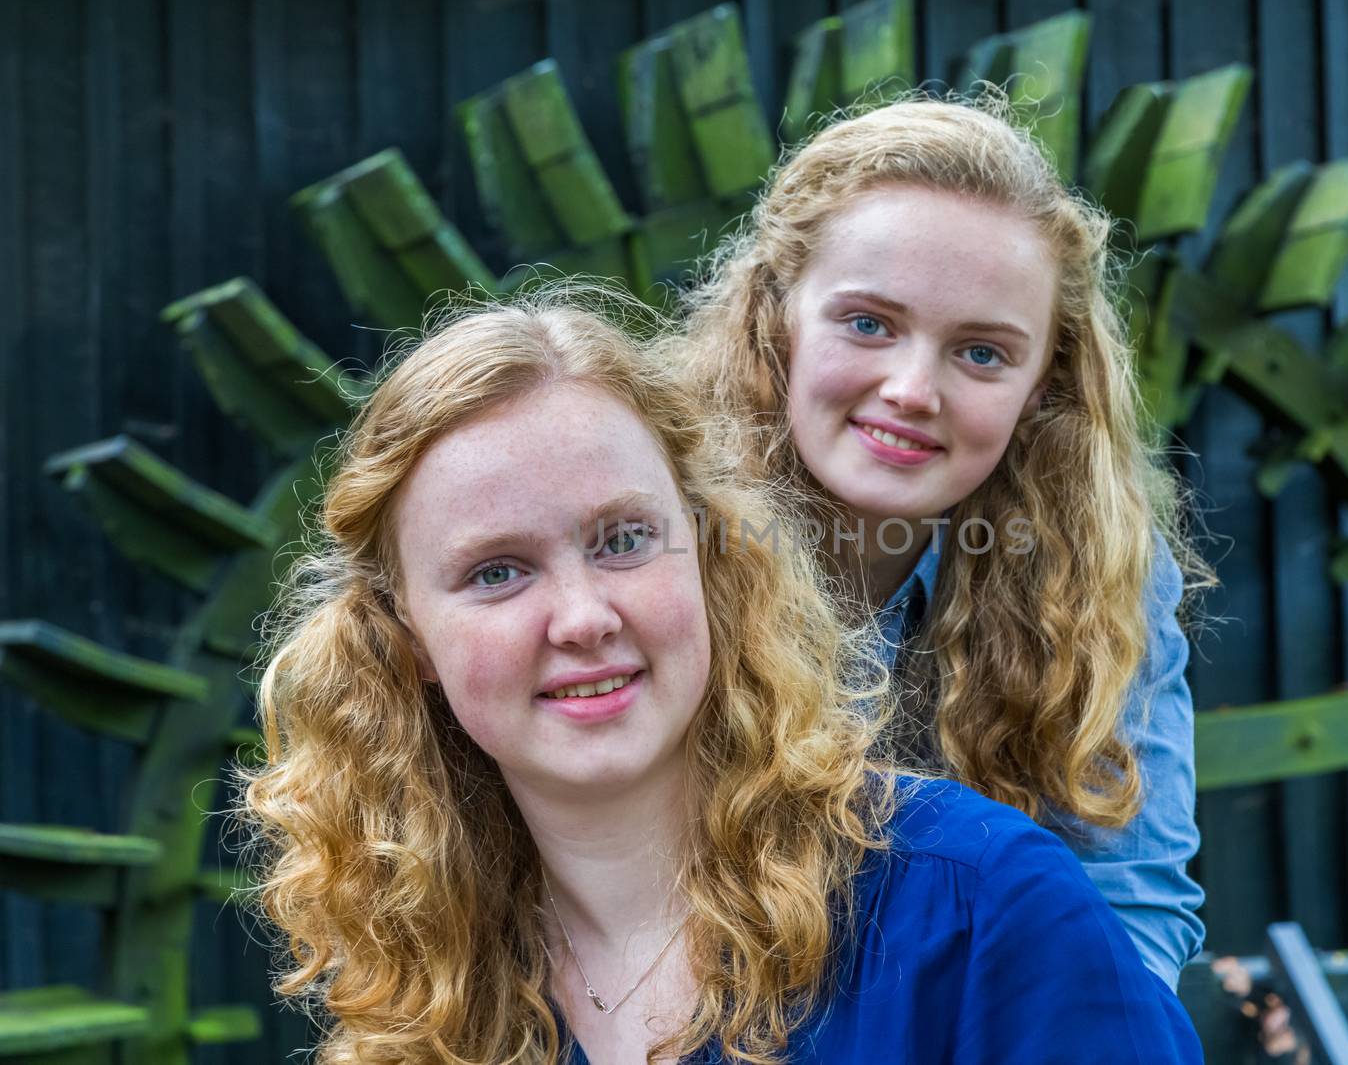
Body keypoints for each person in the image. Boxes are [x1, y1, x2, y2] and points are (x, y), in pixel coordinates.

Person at [238, 294, 1201, 1064]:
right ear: (409, 640)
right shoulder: (430, 995)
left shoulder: (977, 904)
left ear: (708, 554)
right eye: (497, 571)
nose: (582, 616)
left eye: (623, 540)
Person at [672, 93, 1207, 989]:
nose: (913, 389)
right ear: (778, 319)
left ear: (1044, 382)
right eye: (869, 324)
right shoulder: (650, 537)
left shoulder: (1095, 568)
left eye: (983, 353)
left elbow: (1128, 904)